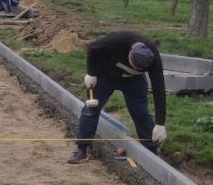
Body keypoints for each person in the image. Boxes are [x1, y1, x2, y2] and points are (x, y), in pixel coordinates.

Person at [68, 31, 168, 164]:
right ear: (130, 54)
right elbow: (93, 47)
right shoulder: (118, 40)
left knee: (141, 112)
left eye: (139, 69)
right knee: (90, 110)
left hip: (133, 81)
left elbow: (159, 89)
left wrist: (160, 123)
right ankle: (82, 149)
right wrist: (91, 73)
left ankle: (151, 151)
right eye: (133, 66)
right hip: (105, 75)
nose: (134, 68)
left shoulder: (153, 58)